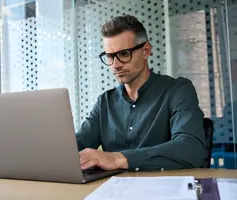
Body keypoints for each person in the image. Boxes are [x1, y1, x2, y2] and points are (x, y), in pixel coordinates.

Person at [76, 14, 206, 172]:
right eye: (110, 56)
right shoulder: (105, 102)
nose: (115, 65)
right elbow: (77, 146)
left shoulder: (177, 90)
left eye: (124, 54)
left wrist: (117, 159)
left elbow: (191, 149)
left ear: (146, 51)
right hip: (113, 192)